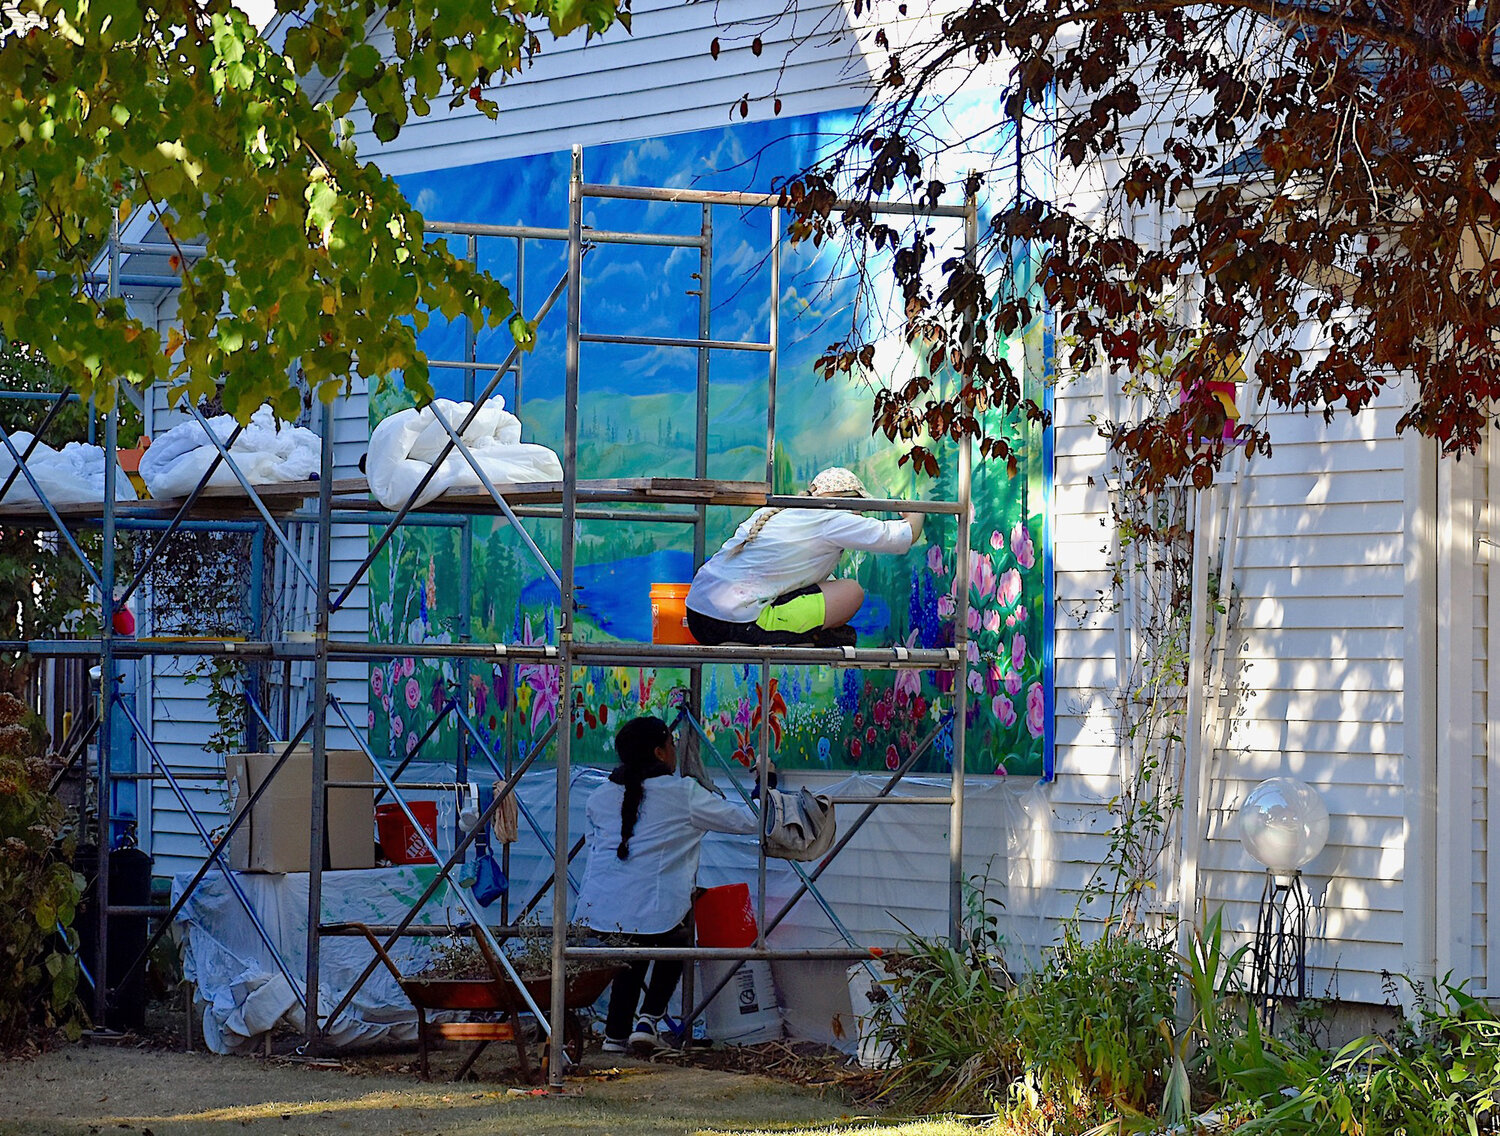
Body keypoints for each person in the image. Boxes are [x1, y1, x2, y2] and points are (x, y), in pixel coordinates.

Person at [575, 715, 763, 1053]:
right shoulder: (682, 794)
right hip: (655, 914)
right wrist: (768, 787)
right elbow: (747, 820)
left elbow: (594, 848)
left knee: (629, 950)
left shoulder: (599, 796)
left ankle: (616, 1035)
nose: (676, 751)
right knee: (674, 936)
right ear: (661, 753)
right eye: (673, 745)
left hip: (600, 910)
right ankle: (649, 1019)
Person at [685, 466, 926, 647]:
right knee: (852, 592)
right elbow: (901, 537)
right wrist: (915, 511)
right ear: (848, 500)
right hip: (736, 623)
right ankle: (806, 635)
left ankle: (806, 632)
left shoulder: (779, 511)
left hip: (696, 614)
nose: (859, 516)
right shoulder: (832, 517)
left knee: (829, 587)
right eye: (859, 508)